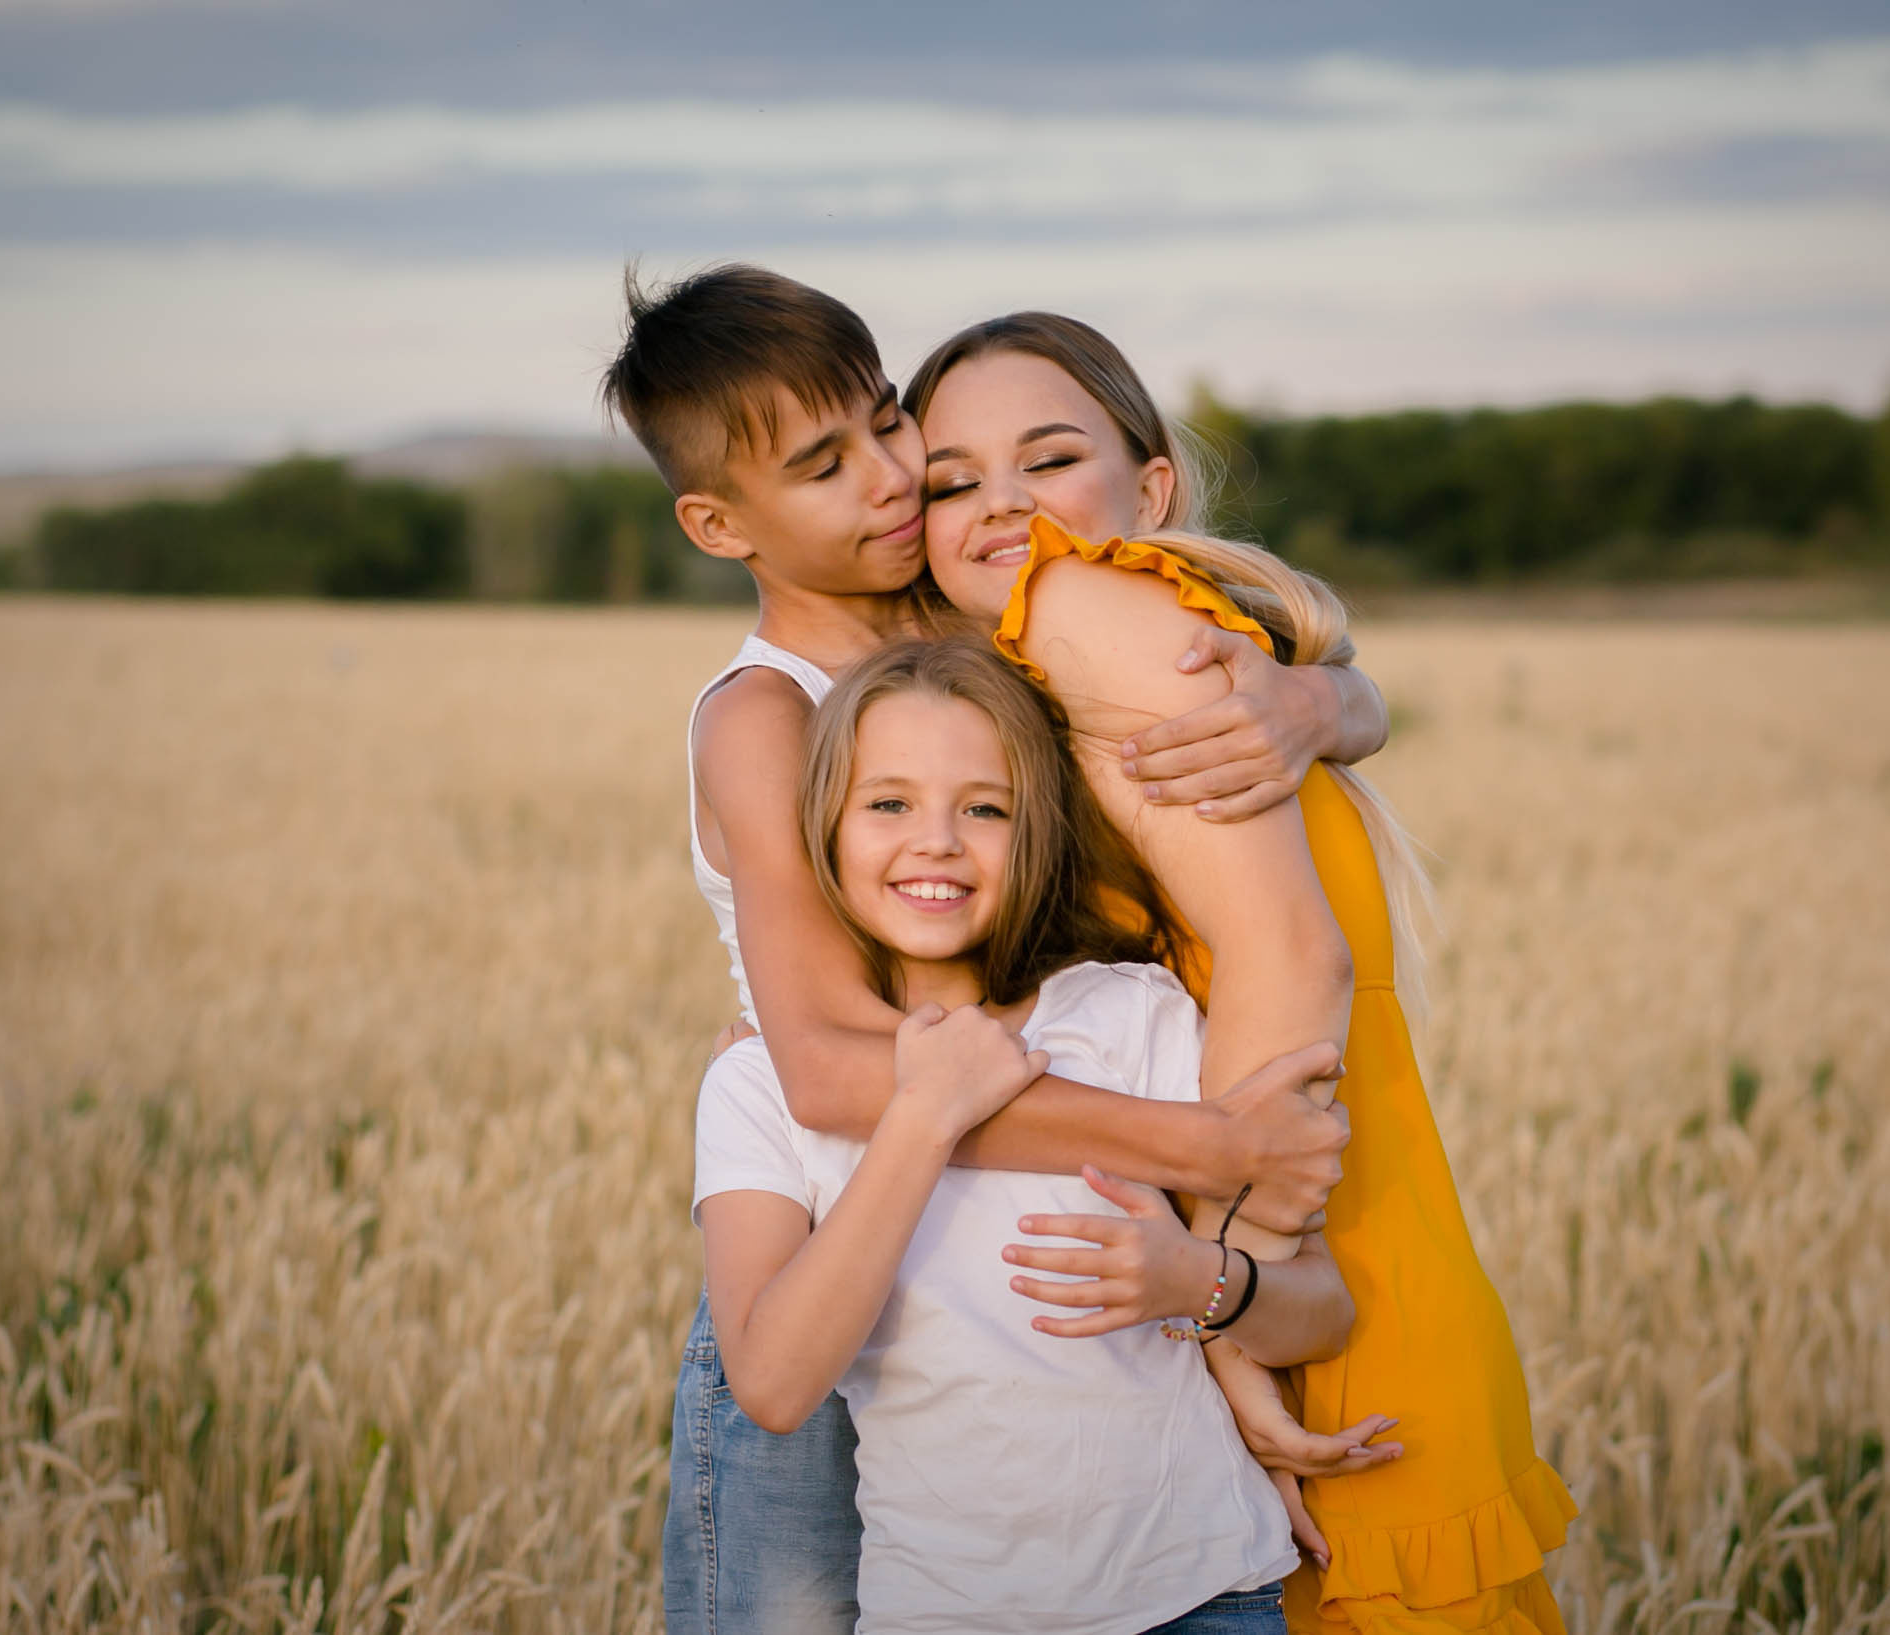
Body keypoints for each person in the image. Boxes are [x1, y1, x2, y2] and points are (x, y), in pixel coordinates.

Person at [599, 266, 1393, 1634]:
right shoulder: (764, 717)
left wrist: (1323, 695)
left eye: (885, 422)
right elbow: (839, 1078)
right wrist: (1200, 1147)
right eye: (825, 462)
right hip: (832, 1249)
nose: (894, 476)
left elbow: (1244, 677)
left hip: (1033, 1269)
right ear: (719, 522)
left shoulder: (983, 632)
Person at [903, 312, 1577, 1634]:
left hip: (1305, 1256)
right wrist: (1335, 697)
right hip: (1338, 1233)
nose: (996, 505)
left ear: (1149, 487)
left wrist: (1240, 1297)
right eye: (949, 478)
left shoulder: (1086, 605)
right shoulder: (1076, 650)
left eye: (1044, 458)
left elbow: (1289, 957)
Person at [697, 636, 1361, 1633]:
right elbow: (776, 1386)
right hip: (947, 1611)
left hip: (1204, 1595)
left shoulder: (1131, 1016)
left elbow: (1318, 1311)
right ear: (819, 828)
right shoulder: (759, 1084)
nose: (935, 842)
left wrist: (1192, 1281)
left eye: (984, 808)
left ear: (1038, 834)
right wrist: (922, 1115)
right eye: (887, 804)